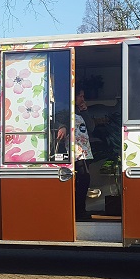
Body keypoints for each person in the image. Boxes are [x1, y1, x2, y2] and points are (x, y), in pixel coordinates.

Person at [56, 87, 95, 221]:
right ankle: (78, 212)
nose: (83, 99)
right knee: (81, 180)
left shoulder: (82, 112)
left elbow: (91, 127)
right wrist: (62, 126)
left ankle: (80, 210)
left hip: (84, 151)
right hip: (72, 152)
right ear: (74, 97)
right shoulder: (66, 110)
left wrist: (86, 112)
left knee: (84, 181)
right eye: (81, 96)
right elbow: (57, 121)